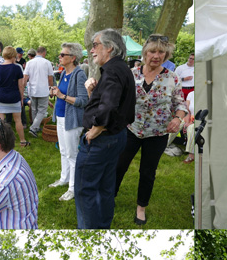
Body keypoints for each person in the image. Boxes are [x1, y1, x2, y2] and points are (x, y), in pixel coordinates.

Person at [114, 35, 186, 225]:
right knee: (119, 166)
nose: (156, 55)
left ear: (166, 55)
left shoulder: (172, 78)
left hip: (158, 133)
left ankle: (141, 207)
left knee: (148, 171)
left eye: (161, 52)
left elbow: (180, 103)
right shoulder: (131, 74)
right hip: (131, 129)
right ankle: (109, 197)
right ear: (145, 53)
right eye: (152, 51)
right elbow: (116, 97)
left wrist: (178, 118)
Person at [75, 29, 135, 229]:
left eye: (95, 45)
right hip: (117, 137)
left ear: (109, 48)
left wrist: (96, 128)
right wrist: (92, 91)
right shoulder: (121, 68)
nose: (91, 50)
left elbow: (109, 107)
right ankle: (102, 227)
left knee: (86, 190)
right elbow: (111, 103)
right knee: (105, 187)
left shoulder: (112, 70)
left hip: (103, 140)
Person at [47, 42, 88, 201]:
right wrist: (55, 93)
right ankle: (64, 179)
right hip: (61, 118)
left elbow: (83, 100)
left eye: (63, 54)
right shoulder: (64, 73)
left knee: (72, 154)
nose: (60, 56)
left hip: (72, 120)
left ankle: (73, 187)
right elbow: (61, 93)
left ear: (73, 58)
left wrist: (62, 96)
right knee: (63, 151)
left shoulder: (79, 74)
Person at [24, 45, 54, 138]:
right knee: (41, 110)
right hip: (43, 90)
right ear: (44, 53)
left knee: (34, 109)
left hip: (32, 90)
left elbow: (25, 77)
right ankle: (33, 128)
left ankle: (35, 127)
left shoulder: (29, 63)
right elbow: (50, 78)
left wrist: (23, 88)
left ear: (37, 52)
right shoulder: (47, 62)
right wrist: (51, 88)